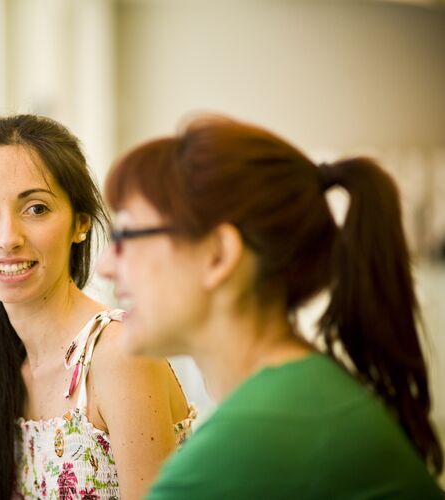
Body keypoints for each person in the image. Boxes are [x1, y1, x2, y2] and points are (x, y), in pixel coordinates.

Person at [97, 114, 444, 498]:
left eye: (125, 235)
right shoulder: (303, 390)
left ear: (218, 254)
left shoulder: (256, 436)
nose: (106, 266)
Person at [0, 114, 196, 500]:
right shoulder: (3, 368)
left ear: (81, 223)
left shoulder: (119, 355)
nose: (8, 238)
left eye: (36, 208)